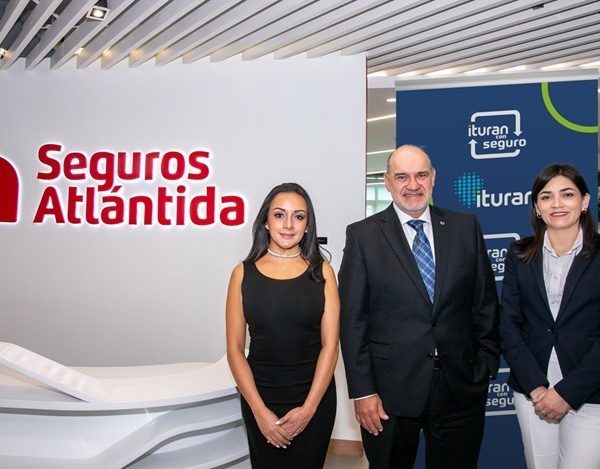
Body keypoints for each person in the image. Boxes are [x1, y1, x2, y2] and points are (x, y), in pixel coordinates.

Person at [338, 144, 500, 469]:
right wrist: (363, 392)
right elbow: (353, 322)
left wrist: (485, 365)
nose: (413, 185)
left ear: (433, 178)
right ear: (387, 182)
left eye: (421, 175)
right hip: (388, 394)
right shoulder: (363, 236)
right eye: (402, 177)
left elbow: (484, 304)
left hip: (459, 387)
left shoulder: (465, 228)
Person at [226, 182, 339, 468]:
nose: (288, 224)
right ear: (265, 221)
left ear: (307, 225)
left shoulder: (323, 272)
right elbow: (235, 350)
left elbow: (330, 346)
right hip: (260, 399)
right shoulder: (242, 274)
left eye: (298, 216)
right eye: (279, 215)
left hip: (314, 399)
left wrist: (309, 409)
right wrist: (259, 411)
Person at [500, 163, 600, 469]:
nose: (557, 204)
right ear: (536, 207)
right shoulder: (519, 254)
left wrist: (567, 393)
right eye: (546, 197)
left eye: (567, 194)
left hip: (590, 390)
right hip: (533, 392)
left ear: (584, 201)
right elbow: (508, 324)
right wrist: (536, 388)